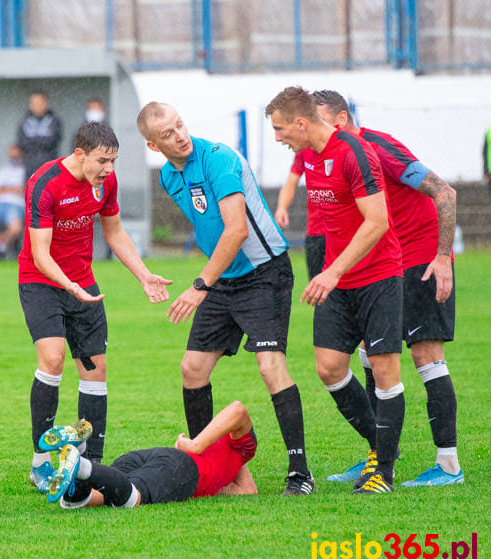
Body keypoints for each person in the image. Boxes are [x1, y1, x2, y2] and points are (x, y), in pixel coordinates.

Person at [137, 102, 315, 497]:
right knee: (192, 369)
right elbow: (209, 225)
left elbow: (235, 231)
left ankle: (300, 473)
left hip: (264, 273)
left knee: (271, 368)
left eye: (180, 125)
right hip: (223, 281)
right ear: (153, 146)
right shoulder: (169, 176)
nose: (179, 135)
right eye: (167, 134)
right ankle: (212, 470)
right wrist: (209, 283)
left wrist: (199, 285)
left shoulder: (217, 158)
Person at [312, 89, 462, 487]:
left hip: (420, 261)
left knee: (426, 357)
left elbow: (445, 192)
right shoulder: (336, 157)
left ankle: (449, 466)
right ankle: (380, 456)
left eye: (318, 121)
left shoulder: (376, 148)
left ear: (340, 120)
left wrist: (442, 258)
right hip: (386, 266)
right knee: (369, 354)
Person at [19, 121, 172, 492]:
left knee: (96, 371)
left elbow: (114, 231)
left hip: (83, 284)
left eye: (114, 161)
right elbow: (40, 253)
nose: (108, 169)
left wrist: (143, 274)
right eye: (102, 160)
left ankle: (91, 463)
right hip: (42, 282)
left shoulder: (106, 183)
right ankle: (40, 463)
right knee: (53, 360)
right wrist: (70, 286)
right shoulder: (44, 183)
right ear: (79, 154)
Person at [266, 86, 405, 494]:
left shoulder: (354, 153)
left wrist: (331, 272)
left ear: (301, 123)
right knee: (328, 368)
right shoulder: (307, 154)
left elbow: (377, 221)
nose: (277, 137)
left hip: (378, 276)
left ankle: (383, 472)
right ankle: (379, 448)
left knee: (383, 370)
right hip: (338, 279)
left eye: (279, 129)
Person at [42, 401, 257, 509]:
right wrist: (195, 446)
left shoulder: (232, 458)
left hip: (151, 460)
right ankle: (79, 463)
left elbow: (248, 490)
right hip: (180, 468)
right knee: (132, 499)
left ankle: (78, 448)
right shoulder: (245, 447)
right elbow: (238, 410)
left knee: (100, 498)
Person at [274, 152, 326, 280]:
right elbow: (291, 182)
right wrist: (281, 208)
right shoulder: (304, 150)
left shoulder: (344, 145)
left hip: (344, 234)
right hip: (316, 233)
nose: (278, 139)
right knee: (318, 291)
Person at [17, 91, 63, 179]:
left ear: (46, 103)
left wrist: (34, 140)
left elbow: (53, 141)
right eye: (33, 103)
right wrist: (42, 140)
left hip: (50, 166)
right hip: (30, 166)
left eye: (39, 103)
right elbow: (22, 143)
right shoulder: (24, 122)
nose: (36, 106)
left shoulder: (54, 120)